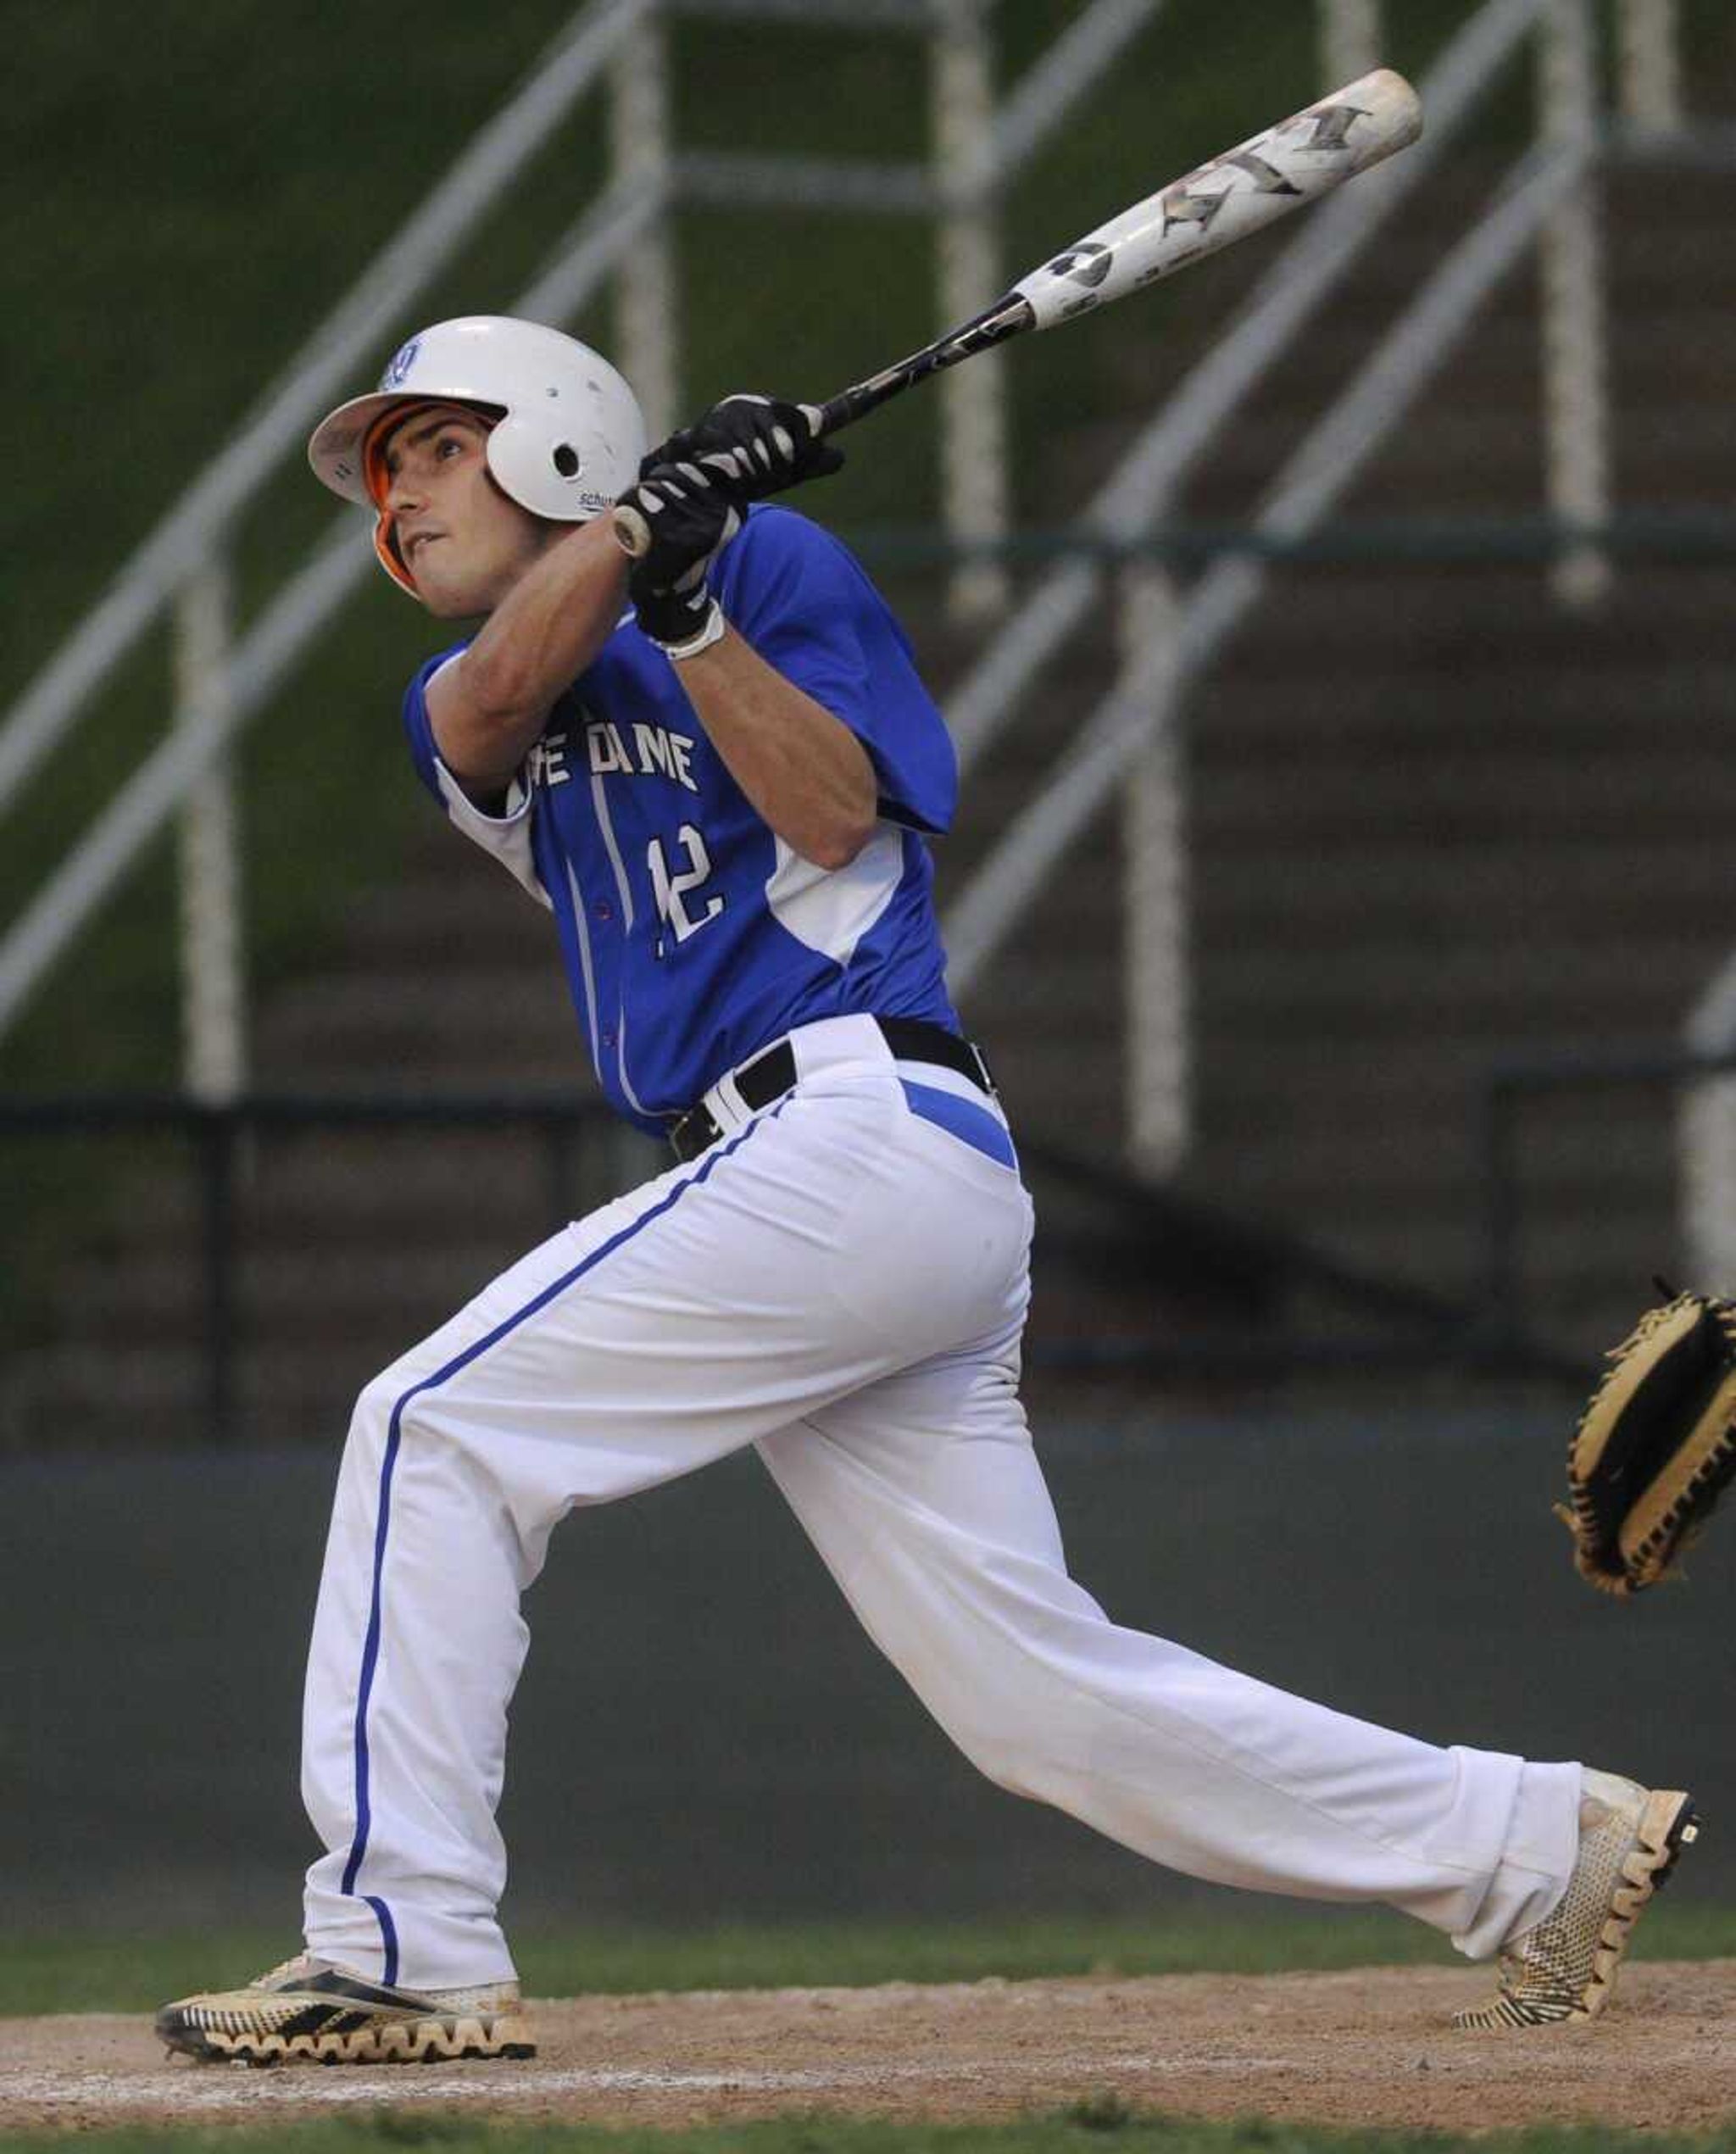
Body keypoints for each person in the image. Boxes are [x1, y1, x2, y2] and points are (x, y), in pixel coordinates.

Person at [158, 316, 1695, 2068]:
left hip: (860, 1132)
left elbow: (829, 818)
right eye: (388, 465)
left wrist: (689, 597)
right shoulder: (465, 702)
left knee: (430, 1423)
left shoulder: (767, 567)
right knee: (1025, 1691)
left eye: (437, 445)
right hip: (818, 1188)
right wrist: (633, 539)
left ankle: (400, 1939)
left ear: (555, 442)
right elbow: (502, 692)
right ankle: (1527, 1846)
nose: (400, 490)